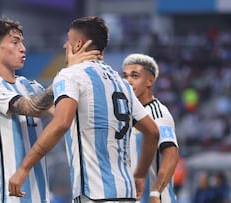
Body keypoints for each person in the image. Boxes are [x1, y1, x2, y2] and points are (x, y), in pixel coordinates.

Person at [8, 16, 159, 203]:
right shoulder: (123, 84)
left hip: (94, 194)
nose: (64, 45)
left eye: (68, 40)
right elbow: (152, 132)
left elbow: (61, 123)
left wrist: (24, 168)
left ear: (78, 44)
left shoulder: (71, 75)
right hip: (126, 192)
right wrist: (140, 175)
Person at [0, 17, 102, 203]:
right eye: (15, 42)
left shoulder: (30, 86)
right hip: (9, 195)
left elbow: (65, 115)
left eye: (22, 42)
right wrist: (66, 72)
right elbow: (32, 107)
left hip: (40, 195)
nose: (23, 48)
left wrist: (87, 70)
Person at [122, 53, 179, 203]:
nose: (128, 81)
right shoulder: (127, 114)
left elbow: (171, 154)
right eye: (125, 76)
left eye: (134, 76)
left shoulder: (157, 113)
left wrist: (156, 192)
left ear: (150, 80)